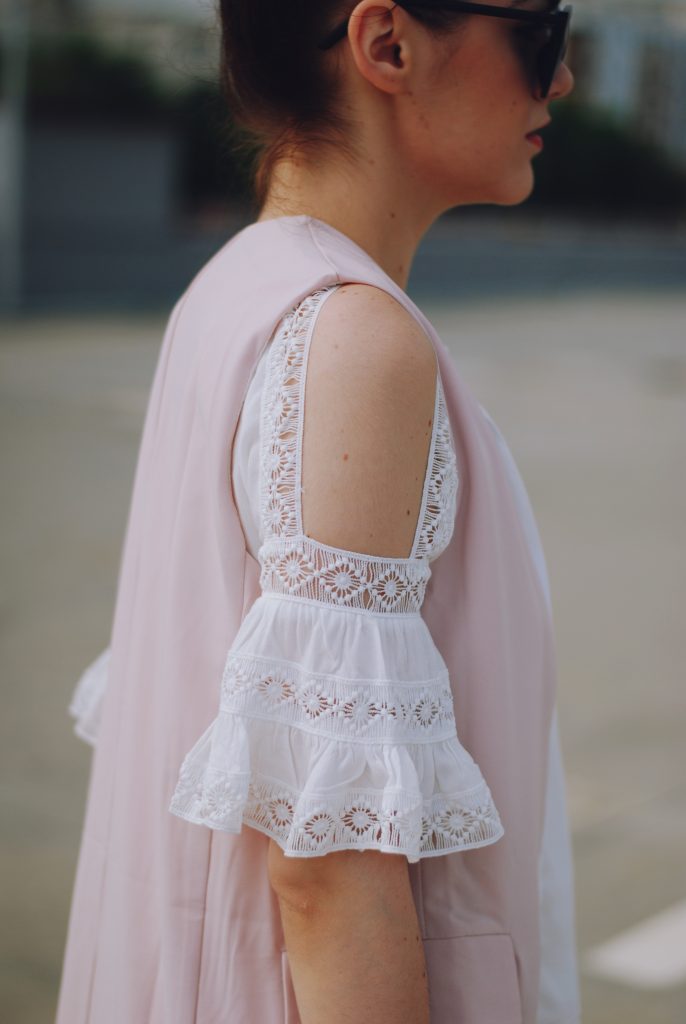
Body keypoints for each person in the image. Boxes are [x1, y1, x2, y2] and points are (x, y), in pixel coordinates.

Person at [56, 2, 580, 1023]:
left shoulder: (232, 285)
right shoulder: (357, 338)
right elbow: (328, 872)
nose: (556, 82)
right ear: (385, 44)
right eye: (541, 34)